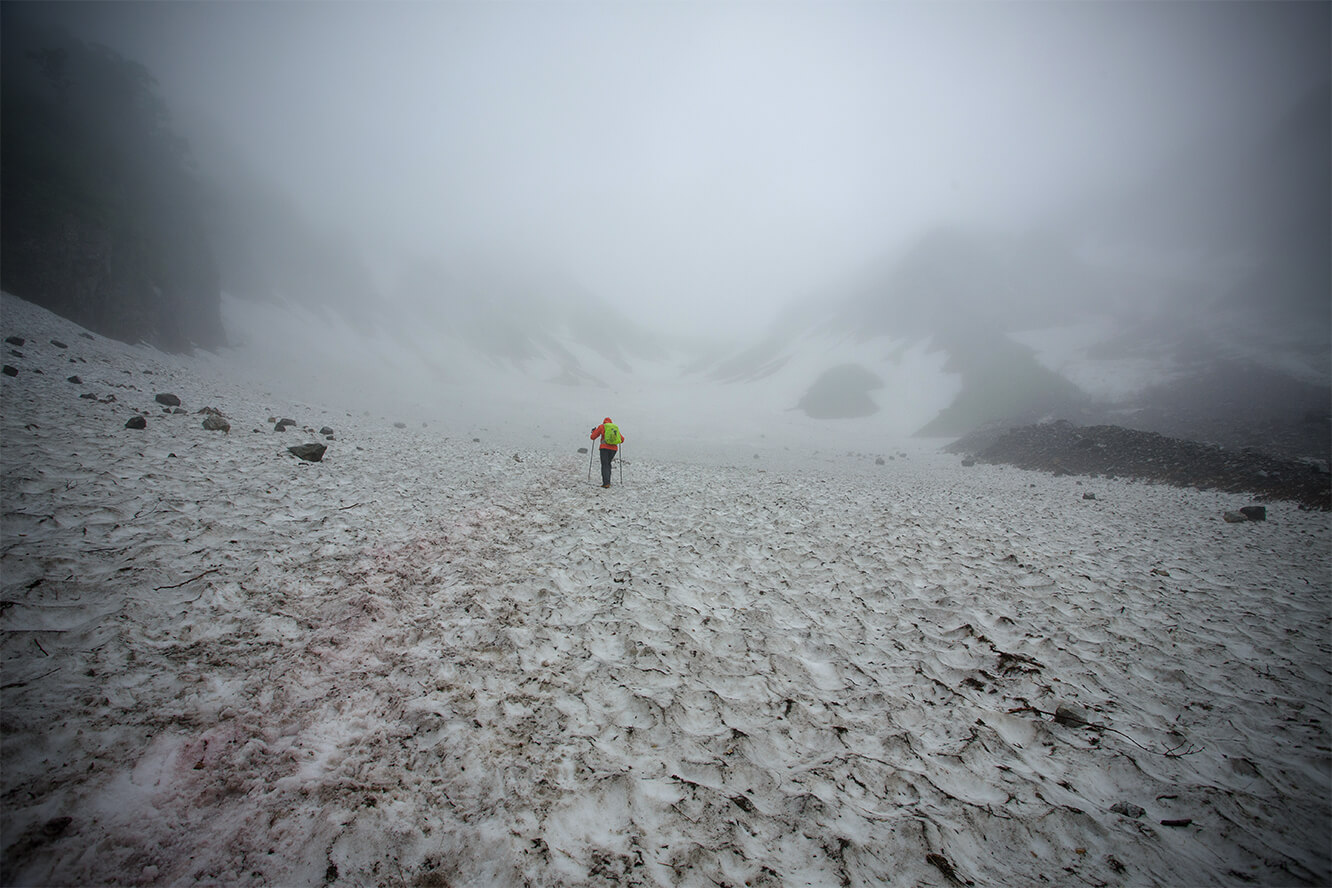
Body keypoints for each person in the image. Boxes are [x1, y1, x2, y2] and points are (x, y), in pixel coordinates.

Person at [590, 416, 624, 488]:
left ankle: (606, 483)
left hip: (604, 448)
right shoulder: (615, 428)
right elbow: (622, 439)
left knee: (605, 465)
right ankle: (608, 481)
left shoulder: (602, 426)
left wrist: (593, 432)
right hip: (614, 449)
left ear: (604, 422)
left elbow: (593, 437)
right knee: (608, 464)